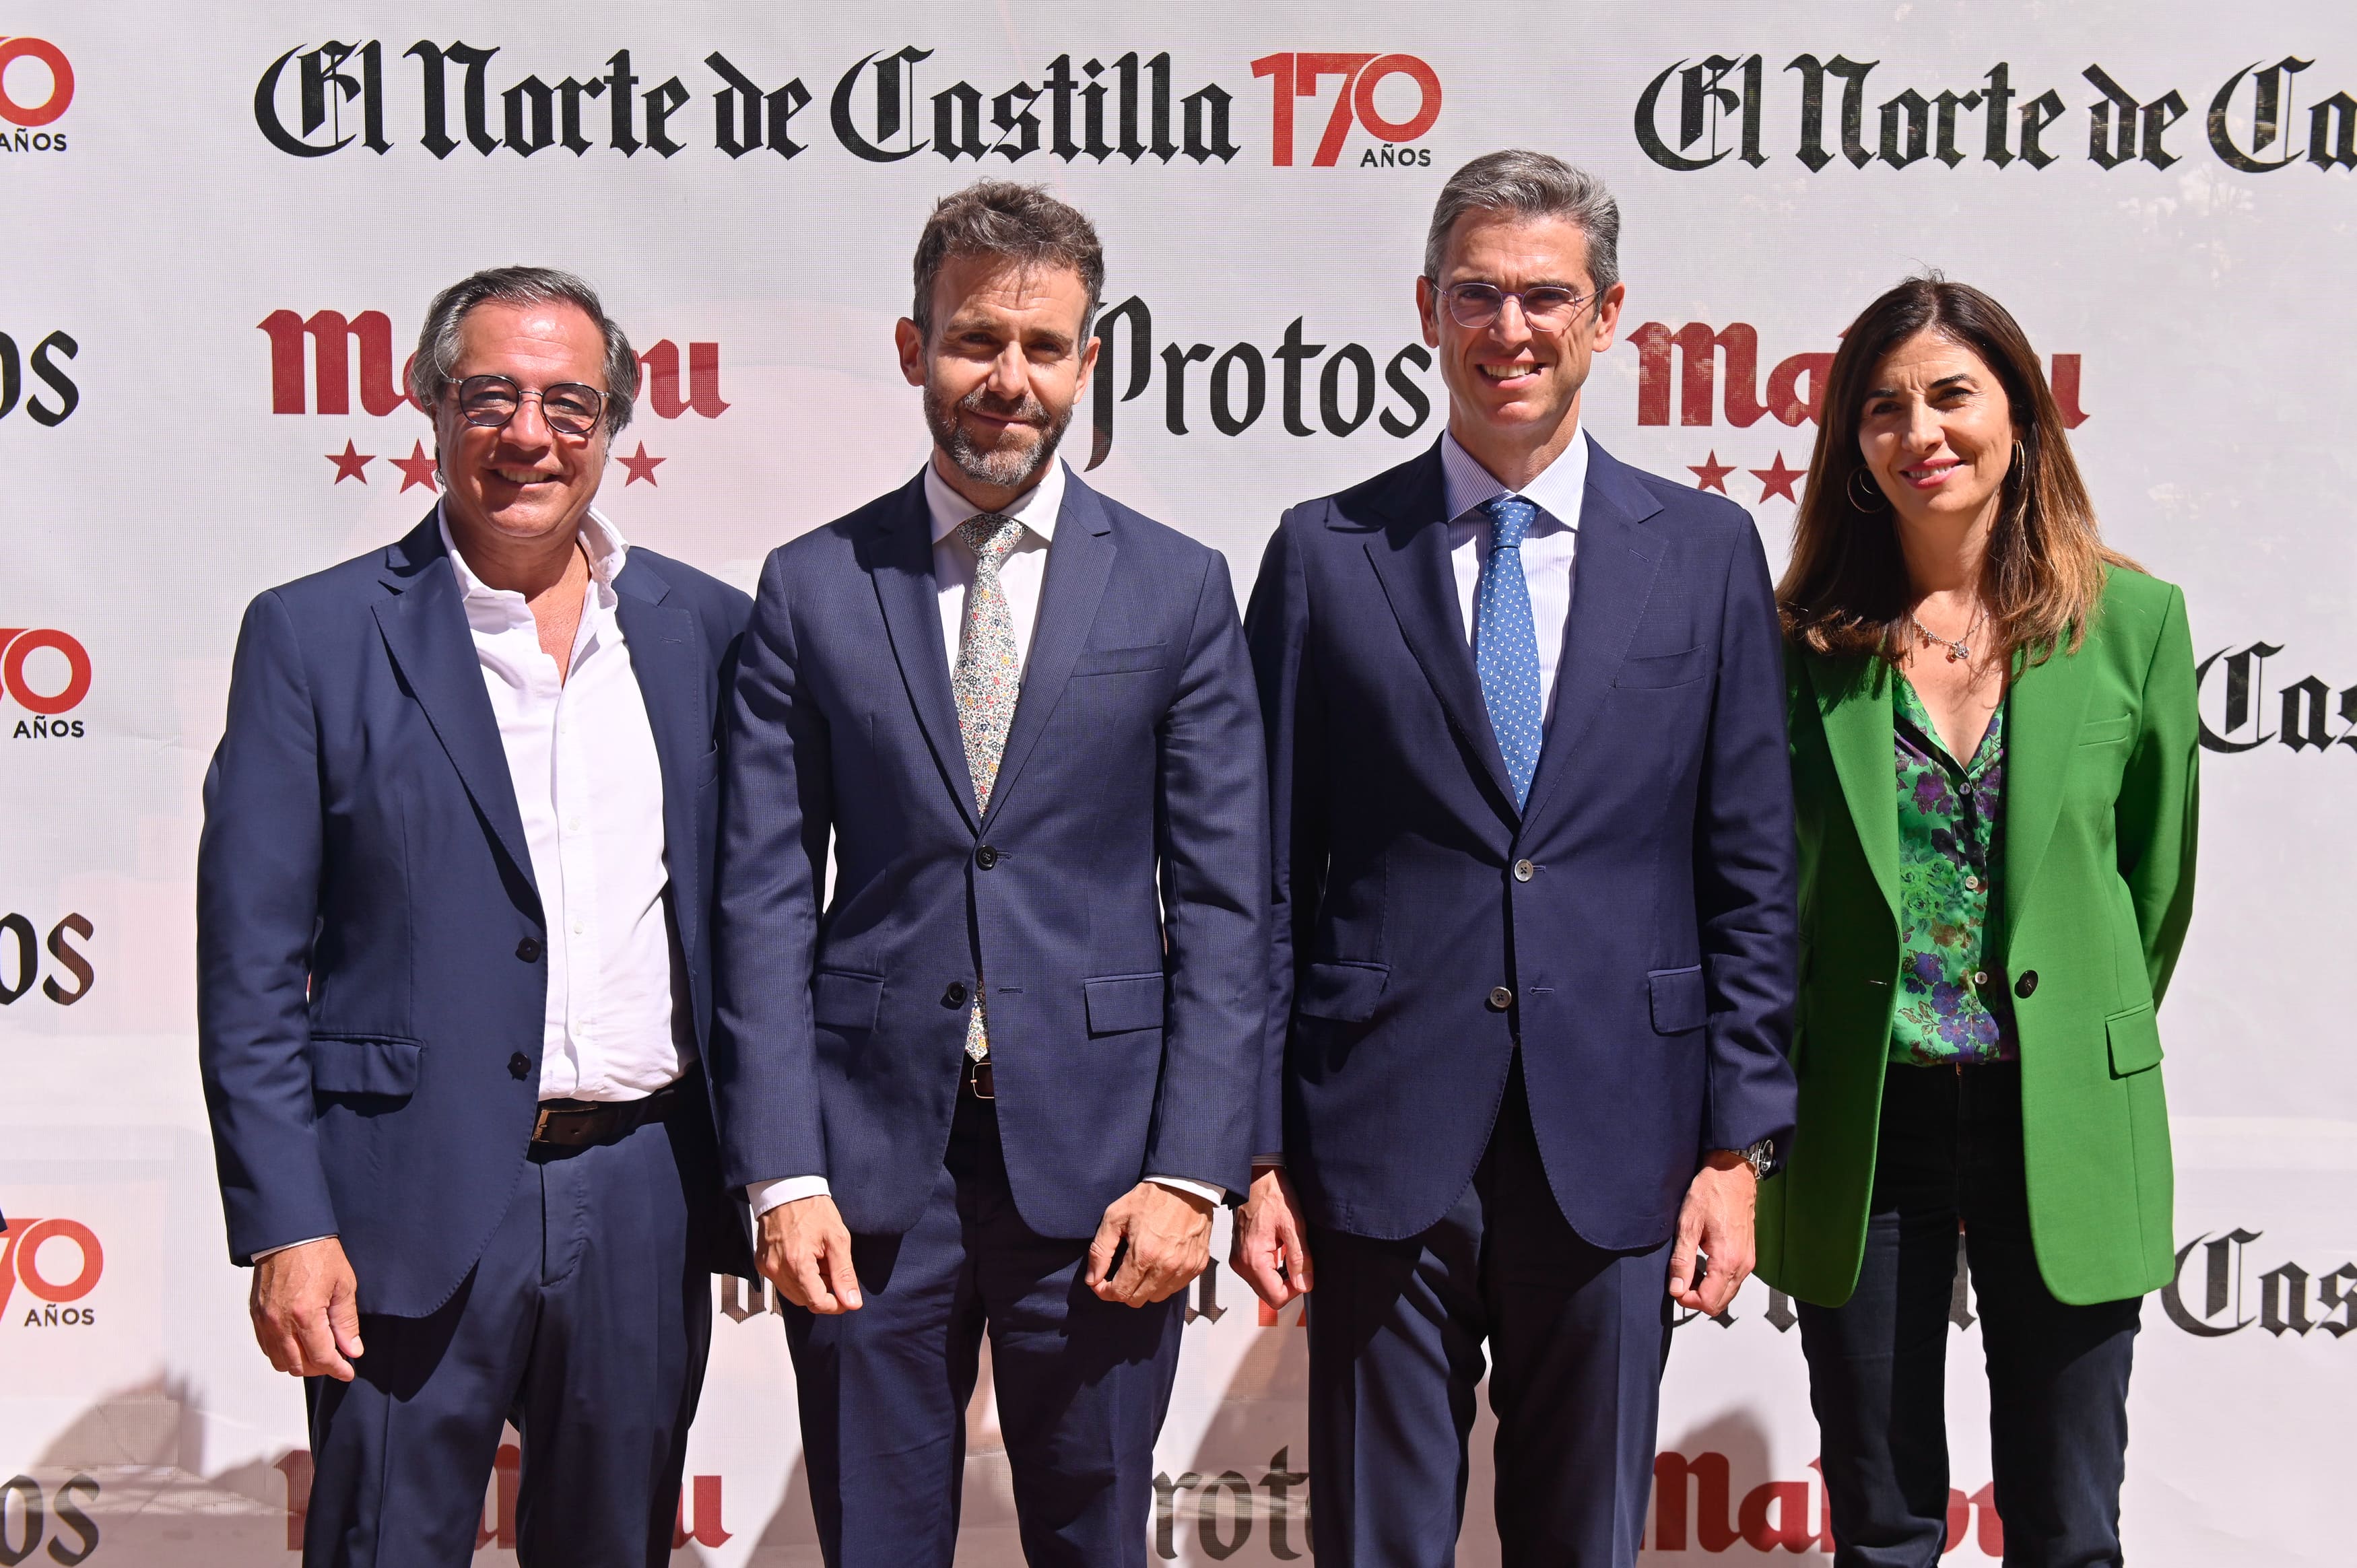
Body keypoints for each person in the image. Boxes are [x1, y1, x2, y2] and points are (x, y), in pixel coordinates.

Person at [1234, 149, 1799, 1566]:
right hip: (1374, 1135)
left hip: (1622, 1133)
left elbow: (1749, 867)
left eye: (1547, 296)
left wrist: (1736, 1145)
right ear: (1428, 308)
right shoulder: (1321, 552)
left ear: (1607, 318)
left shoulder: (1709, 551)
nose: (1512, 329)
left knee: (1585, 1538)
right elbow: (1259, 882)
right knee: (1379, 1542)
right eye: (1478, 293)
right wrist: (1249, 1150)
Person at [708, 180, 1268, 1568]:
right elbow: (763, 896)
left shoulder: (1179, 588)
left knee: (1094, 1542)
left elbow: (1221, 901)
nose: (1005, 379)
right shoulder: (813, 583)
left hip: (1100, 1172)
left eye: (1040, 346)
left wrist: (1192, 1172)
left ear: (1089, 361)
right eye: (973, 340)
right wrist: (781, 1171)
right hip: (866, 1166)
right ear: (915, 350)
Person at [197, 267, 754, 1566]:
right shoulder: (312, 636)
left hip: (640, 1190)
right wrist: (287, 1220)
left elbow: (751, 917)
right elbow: (253, 968)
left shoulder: (705, 633)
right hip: (400, 1199)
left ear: (615, 425)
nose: (528, 434)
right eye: (491, 395)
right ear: (431, 410)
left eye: (570, 403)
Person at [1757, 276, 2197, 1567]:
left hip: (2059, 1108)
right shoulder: (1798, 643)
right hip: (1864, 1112)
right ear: (1851, 442)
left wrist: (2070, 1029)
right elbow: (1769, 889)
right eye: (1883, 408)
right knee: (1883, 1526)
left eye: (1953, 395)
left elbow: (2152, 887)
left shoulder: (2132, 623)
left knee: (2068, 1525)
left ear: (2021, 417)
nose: (1919, 432)